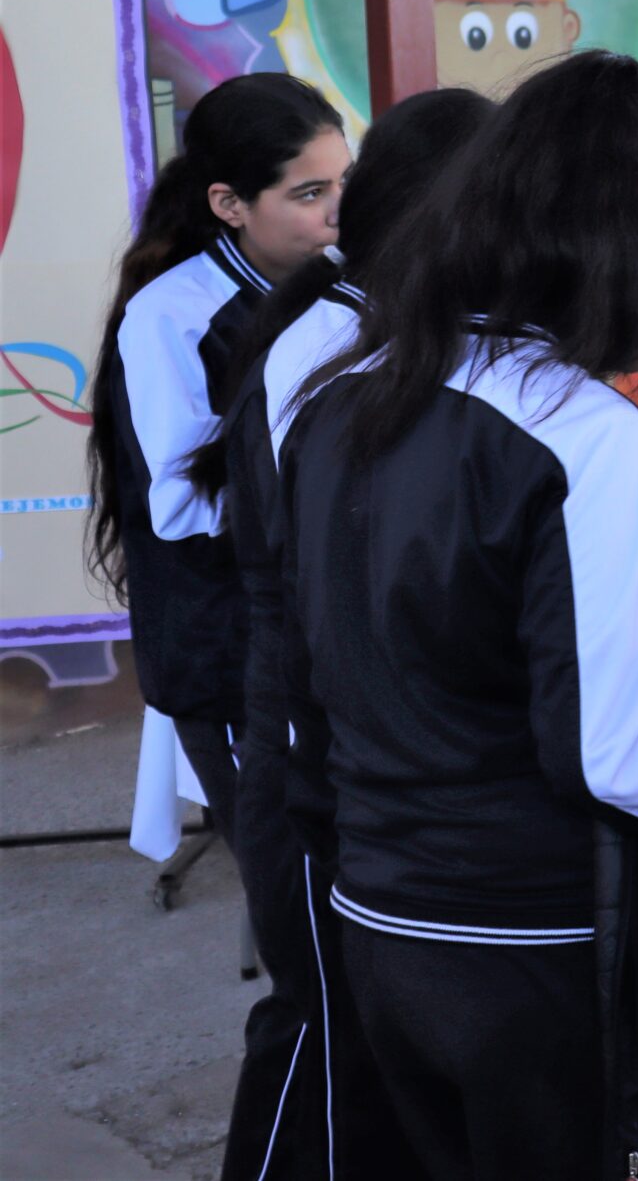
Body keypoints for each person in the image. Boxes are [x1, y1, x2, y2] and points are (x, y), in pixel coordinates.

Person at [277, 51, 638, 1174]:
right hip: (529, 938)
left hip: (379, 915)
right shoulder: (580, 432)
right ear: (629, 249)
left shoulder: (343, 395)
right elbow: (612, 756)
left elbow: (311, 672)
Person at [186, 86, 495, 1180]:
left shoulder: (361, 320)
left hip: (329, 727)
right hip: (305, 734)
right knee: (325, 1029)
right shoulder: (333, 338)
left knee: (362, 1040)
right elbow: (312, 573)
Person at [85, 72, 347, 1180]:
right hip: (234, 660)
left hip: (322, 650)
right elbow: (183, 506)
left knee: (357, 944)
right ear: (231, 205)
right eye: (309, 194)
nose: (336, 215)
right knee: (314, 967)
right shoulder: (173, 313)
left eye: (344, 186)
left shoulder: (340, 284)